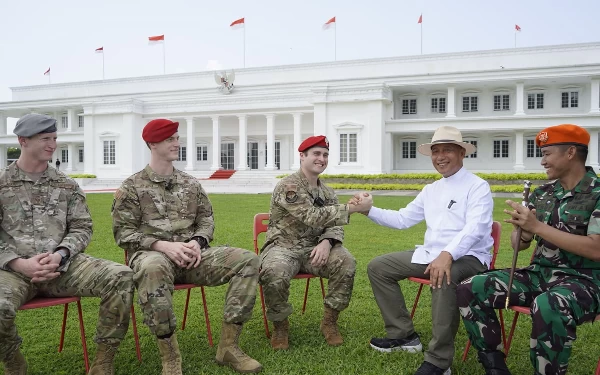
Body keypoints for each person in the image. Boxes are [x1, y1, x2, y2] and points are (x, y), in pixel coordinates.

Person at [111, 119, 261, 375]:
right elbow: (123, 233)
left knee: (248, 260)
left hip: (194, 257)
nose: (177, 143)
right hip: (153, 257)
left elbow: (206, 219)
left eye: (177, 138)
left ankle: (228, 347)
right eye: (170, 139)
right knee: (152, 267)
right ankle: (170, 358)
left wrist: (197, 242)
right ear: (152, 143)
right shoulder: (132, 187)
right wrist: (162, 246)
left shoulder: (191, 184)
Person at [457, 124, 600, 375]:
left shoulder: (597, 193)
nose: (542, 161)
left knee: (550, 304)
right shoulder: (543, 194)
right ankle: (494, 365)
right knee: (471, 287)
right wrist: (522, 232)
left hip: (586, 282)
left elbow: (596, 249)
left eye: (547, 153)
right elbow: (519, 245)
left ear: (570, 153)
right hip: (540, 275)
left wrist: (537, 226)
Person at [350, 125, 494, 375]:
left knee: (443, 274)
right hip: (432, 255)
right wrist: (368, 210)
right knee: (379, 267)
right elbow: (403, 218)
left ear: (462, 153)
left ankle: (439, 361)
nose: (440, 156)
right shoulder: (432, 190)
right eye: (435, 151)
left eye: (447, 150)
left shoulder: (477, 186)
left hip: (470, 258)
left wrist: (447, 255)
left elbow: (476, 229)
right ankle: (404, 336)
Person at [0, 113, 134, 375]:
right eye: (45, 139)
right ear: (22, 141)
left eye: (54, 138)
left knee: (121, 276)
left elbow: (82, 227)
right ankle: (13, 360)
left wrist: (61, 254)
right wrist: (19, 263)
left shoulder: (66, 185)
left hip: (63, 267)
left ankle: (103, 361)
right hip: (13, 271)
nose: (52, 144)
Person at [260, 135, 362, 350]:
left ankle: (329, 322)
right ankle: (280, 327)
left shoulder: (327, 192)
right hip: (283, 247)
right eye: (316, 153)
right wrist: (350, 209)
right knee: (273, 271)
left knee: (346, 262)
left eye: (325, 155)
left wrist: (327, 241)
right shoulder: (289, 186)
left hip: (314, 249)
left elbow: (333, 224)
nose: (321, 158)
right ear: (302, 156)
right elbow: (312, 216)